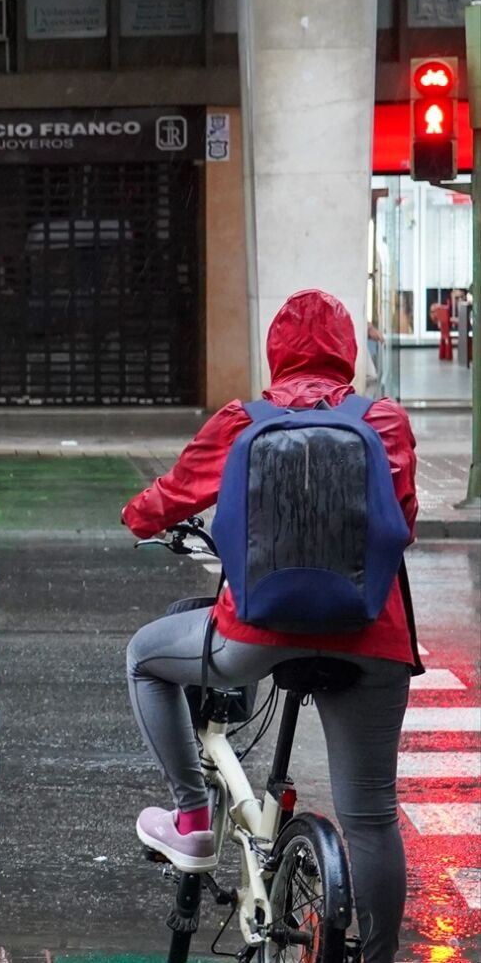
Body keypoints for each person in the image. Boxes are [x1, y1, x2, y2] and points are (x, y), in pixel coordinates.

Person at [122, 289, 418, 962]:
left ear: (275, 352)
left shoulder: (241, 419)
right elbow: (402, 521)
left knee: (145, 657)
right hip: (372, 634)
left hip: (256, 633)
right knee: (370, 812)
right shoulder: (385, 421)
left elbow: (170, 497)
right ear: (348, 352)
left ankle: (193, 815)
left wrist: (138, 514)